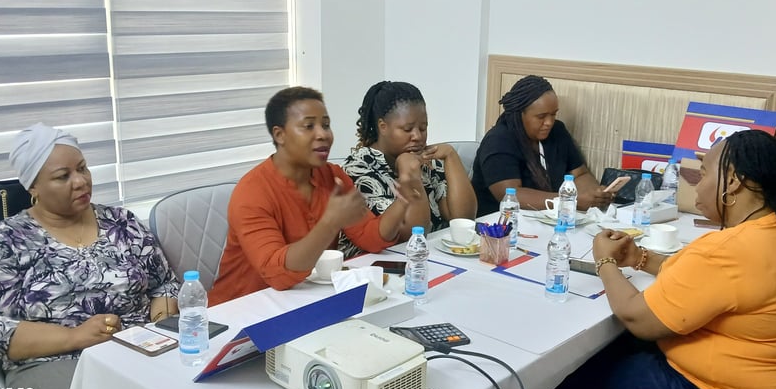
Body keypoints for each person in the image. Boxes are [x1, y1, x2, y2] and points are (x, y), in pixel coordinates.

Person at [545, 130, 776, 389]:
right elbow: (702, 281)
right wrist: (639, 257)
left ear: (733, 181)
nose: (698, 187)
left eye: (704, 175)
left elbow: (637, 317)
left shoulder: (729, 249)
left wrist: (603, 261)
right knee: (612, 353)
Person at [0, 123, 180, 389]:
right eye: (63, 176)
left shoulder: (121, 223)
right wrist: (73, 336)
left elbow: (164, 283)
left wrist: (159, 323)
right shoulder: (4, 242)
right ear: (32, 186)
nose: (80, 181)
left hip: (139, 349)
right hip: (54, 362)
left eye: (83, 168)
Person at [209, 86, 416, 306]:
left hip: (306, 300)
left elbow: (371, 237)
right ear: (280, 135)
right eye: (309, 126)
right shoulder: (252, 193)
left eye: (326, 125)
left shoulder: (332, 176)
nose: (323, 134)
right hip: (240, 311)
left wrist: (402, 201)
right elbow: (276, 274)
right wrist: (330, 222)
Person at [340, 81, 477, 256]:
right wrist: (411, 177)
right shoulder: (359, 169)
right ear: (383, 126)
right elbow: (410, 237)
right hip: (376, 267)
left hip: (430, 259)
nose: (417, 136)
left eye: (423, 128)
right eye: (407, 129)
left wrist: (451, 156)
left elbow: (463, 221)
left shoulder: (424, 159)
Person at [471, 75, 614, 215]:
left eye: (553, 114)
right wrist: (568, 202)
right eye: (541, 116)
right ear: (520, 114)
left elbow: (579, 174)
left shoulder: (557, 131)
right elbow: (511, 195)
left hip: (549, 219)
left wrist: (595, 195)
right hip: (500, 225)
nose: (549, 122)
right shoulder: (498, 141)